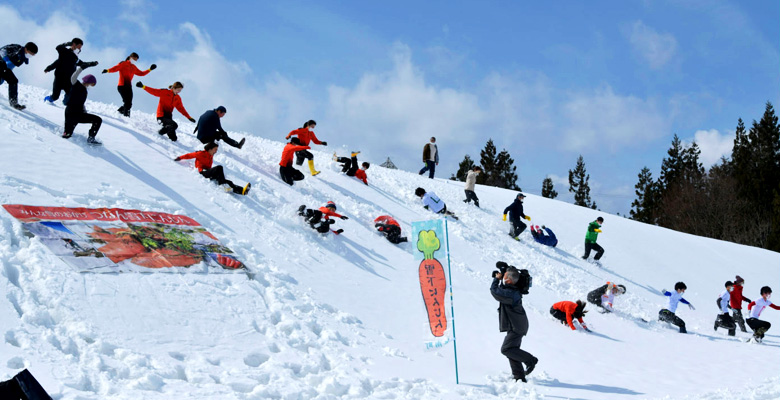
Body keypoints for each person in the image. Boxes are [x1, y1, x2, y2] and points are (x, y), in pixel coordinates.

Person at [490, 263, 537, 383]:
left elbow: (495, 292)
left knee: (506, 349)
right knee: (512, 350)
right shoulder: (511, 290)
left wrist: (496, 279)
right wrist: (503, 271)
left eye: (504, 277)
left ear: (509, 281)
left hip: (517, 326)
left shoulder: (510, 294)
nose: (503, 278)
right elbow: (503, 289)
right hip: (517, 325)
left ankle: (530, 360)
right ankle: (519, 376)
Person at [175, 142, 251, 195]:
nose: (216, 151)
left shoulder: (210, 155)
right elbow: (189, 155)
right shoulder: (200, 153)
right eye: (215, 149)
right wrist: (179, 158)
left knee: (229, 182)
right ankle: (223, 186)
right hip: (202, 172)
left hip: (209, 172)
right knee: (219, 168)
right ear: (210, 149)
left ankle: (242, 191)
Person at [43, 38, 98, 104]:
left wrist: (92, 63)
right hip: (59, 79)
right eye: (79, 47)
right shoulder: (64, 52)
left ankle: (65, 104)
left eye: (81, 48)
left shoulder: (75, 58)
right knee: (55, 97)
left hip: (68, 80)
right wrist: (48, 68)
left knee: (70, 95)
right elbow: (58, 49)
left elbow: (82, 64)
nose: (80, 49)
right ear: (74, 44)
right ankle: (48, 99)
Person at [102, 52, 156, 117]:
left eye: (136, 60)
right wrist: (107, 70)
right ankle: (126, 117)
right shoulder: (123, 63)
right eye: (134, 58)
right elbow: (115, 68)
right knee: (127, 102)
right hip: (122, 86)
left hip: (129, 87)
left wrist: (150, 69)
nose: (135, 60)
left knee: (129, 103)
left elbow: (141, 73)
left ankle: (120, 111)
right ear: (130, 57)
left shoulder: (134, 67)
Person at [62, 66, 102, 144]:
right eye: (92, 84)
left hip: (78, 114)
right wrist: (81, 68)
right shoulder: (77, 85)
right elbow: (73, 77)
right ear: (88, 81)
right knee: (67, 135)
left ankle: (91, 138)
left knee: (97, 120)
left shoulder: (84, 91)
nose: (91, 86)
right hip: (71, 113)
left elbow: (81, 104)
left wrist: (85, 112)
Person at [0, 41, 38, 110]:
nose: (31, 56)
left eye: (33, 55)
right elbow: (3, 50)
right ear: (26, 49)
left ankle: (13, 103)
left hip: (6, 68)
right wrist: (5, 60)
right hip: (1, 63)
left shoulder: (24, 58)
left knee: (13, 81)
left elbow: (12, 65)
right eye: (31, 53)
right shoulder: (17, 48)